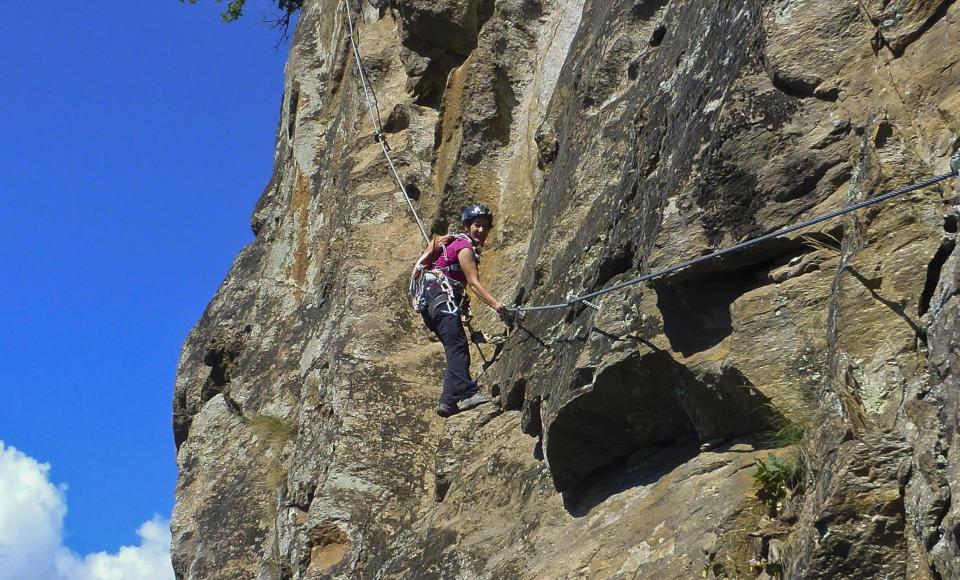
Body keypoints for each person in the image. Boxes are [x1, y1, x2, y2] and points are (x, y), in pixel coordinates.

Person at [419, 203, 507, 417]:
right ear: (468, 226)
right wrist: (496, 305)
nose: (481, 231)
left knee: (456, 348)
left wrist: (462, 307)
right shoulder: (464, 247)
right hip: (441, 301)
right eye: (477, 225)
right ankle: (468, 394)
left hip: (432, 304)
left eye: (485, 227)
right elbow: (474, 284)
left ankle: (448, 400)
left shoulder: (455, 244)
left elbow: (455, 281)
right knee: (457, 346)